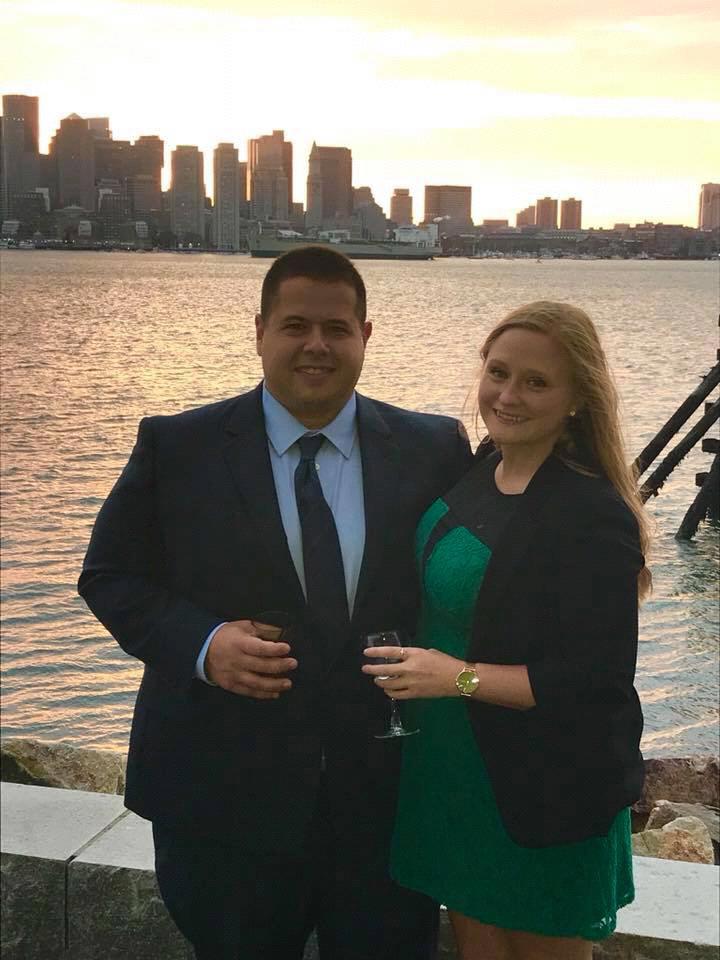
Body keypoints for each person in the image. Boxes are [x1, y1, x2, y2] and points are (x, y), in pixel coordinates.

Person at [78, 245, 472, 960]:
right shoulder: (179, 446)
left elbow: (480, 576)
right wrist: (203, 645)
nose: (316, 344)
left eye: (336, 328)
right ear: (259, 331)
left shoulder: (435, 447)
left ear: (365, 336)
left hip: (385, 803)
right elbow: (110, 575)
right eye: (295, 326)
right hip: (223, 804)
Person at [364, 301, 650, 960]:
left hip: (541, 788)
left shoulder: (591, 515)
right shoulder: (480, 468)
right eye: (498, 373)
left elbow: (592, 681)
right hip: (451, 769)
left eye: (536, 382)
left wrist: (455, 678)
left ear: (577, 399)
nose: (508, 395)